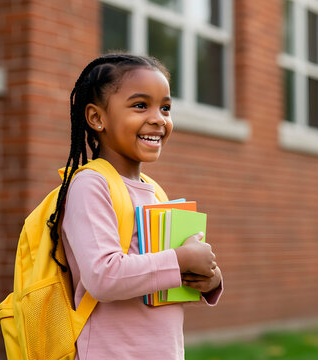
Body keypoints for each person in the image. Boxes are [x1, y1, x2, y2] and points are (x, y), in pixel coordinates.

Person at [46, 53, 222, 359]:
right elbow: (103, 277)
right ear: (96, 118)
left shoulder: (155, 191)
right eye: (141, 105)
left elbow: (160, 277)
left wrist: (208, 279)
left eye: (165, 108)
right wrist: (180, 260)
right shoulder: (91, 184)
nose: (158, 118)